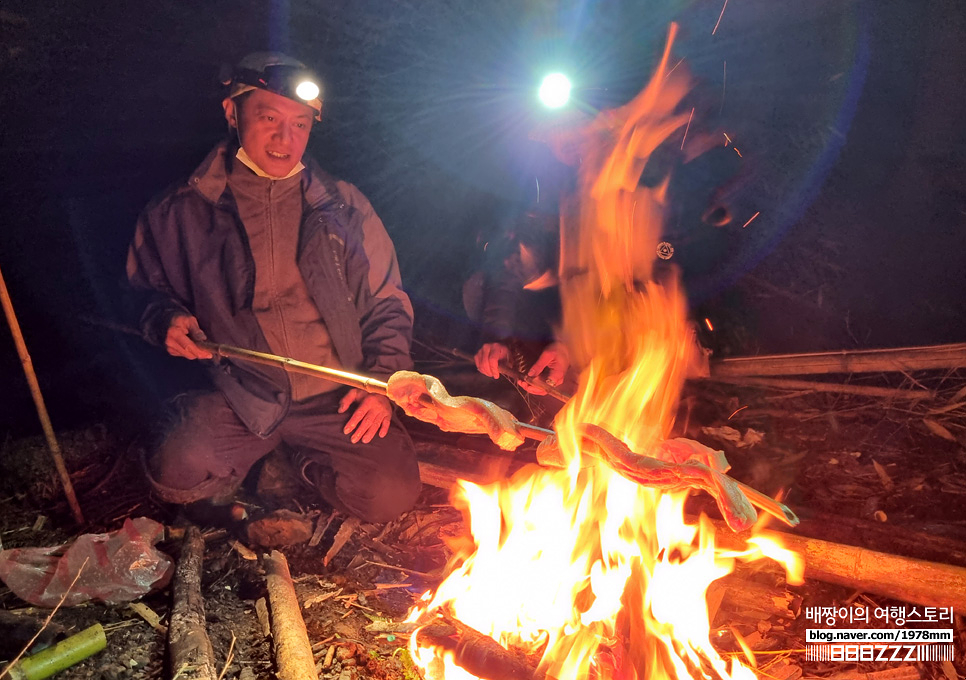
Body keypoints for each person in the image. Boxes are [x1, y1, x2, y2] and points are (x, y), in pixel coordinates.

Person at [126, 52, 421, 523]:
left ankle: (300, 464)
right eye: (269, 118)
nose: (286, 139)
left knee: (389, 496)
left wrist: (382, 381)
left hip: (338, 396)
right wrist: (165, 320)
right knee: (175, 474)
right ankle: (254, 461)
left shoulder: (343, 206)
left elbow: (387, 301)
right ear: (232, 113)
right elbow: (143, 291)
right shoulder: (180, 211)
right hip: (244, 394)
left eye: (301, 124)